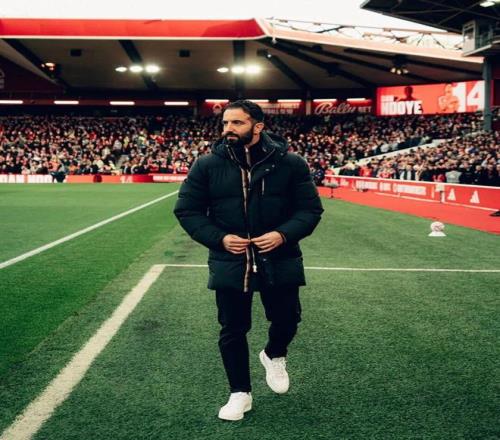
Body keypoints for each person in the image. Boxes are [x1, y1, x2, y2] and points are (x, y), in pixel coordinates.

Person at [174, 100, 323, 421]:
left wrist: (282, 234)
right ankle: (239, 393)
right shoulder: (206, 165)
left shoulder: (291, 163)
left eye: (237, 123)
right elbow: (187, 210)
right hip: (230, 260)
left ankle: (274, 354)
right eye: (225, 123)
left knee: (288, 319)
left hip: (279, 256)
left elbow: (310, 210)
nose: (228, 129)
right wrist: (220, 238)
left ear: (258, 126)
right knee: (233, 328)